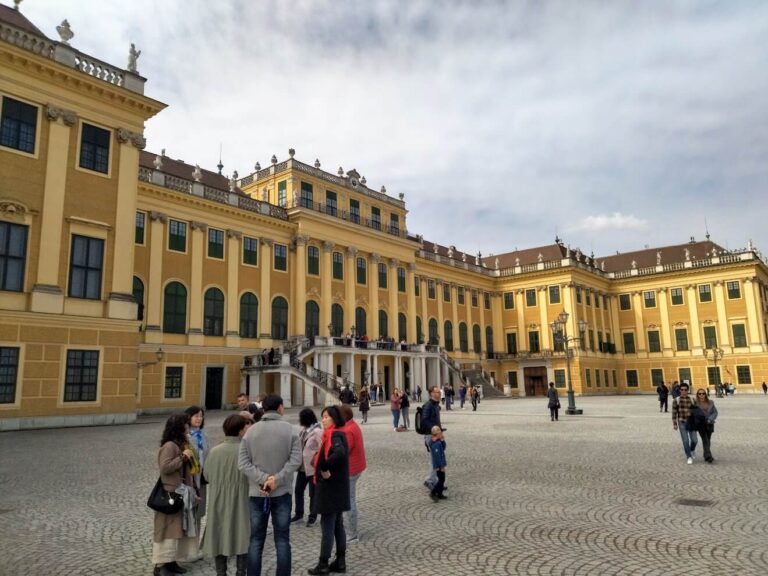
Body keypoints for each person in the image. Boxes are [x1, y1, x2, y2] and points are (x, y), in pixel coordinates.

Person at [238, 394, 301, 576]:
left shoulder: (251, 431)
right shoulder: (290, 430)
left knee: (256, 540)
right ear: (281, 407)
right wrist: (276, 479)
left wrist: (263, 479)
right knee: (282, 539)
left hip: (258, 493)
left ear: (263, 409)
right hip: (281, 492)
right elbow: (295, 461)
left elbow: (243, 463)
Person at [201, 414, 251, 576]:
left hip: (218, 499)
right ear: (241, 430)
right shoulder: (246, 450)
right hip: (242, 498)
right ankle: (241, 572)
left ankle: (221, 573)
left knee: (218, 533)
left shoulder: (215, 451)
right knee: (242, 534)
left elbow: (206, 476)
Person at [152, 412, 198, 576]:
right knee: (167, 530)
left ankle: (171, 562)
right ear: (178, 426)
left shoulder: (182, 443)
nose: (188, 426)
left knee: (177, 530)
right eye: (185, 423)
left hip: (181, 492)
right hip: (170, 494)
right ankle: (161, 565)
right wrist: (182, 457)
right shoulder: (170, 446)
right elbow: (165, 468)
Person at [308, 406, 350, 575]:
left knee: (327, 527)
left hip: (330, 489)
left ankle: (323, 563)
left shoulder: (334, 435)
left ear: (334, 418)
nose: (323, 419)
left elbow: (339, 453)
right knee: (338, 525)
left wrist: (325, 465)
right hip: (338, 488)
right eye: (322, 417)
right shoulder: (335, 434)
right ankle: (340, 561)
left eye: (326, 417)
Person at [184, 405, 209, 561]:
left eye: (201, 416)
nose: (199, 418)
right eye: (196, 416)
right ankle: (186, 550)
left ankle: (194, 549)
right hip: (189, 482)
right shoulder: (185, 437)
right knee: (188, 515)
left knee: (198, 515)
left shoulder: (203, 436)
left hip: (202, 481)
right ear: (189, 418)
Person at [339, 404, 367, 543]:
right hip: (354, 467)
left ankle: (352, 533)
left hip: (351, 469)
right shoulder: (351, 425)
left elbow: (344, 451)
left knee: (349, 500)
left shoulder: (348, 430)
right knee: (348, 498)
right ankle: (349, 530)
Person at [292, 408, 322, 527]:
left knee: (312, 493)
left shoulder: (318, 431)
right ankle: (299, 513)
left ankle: (312, 516)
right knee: (298, 490)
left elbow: (322, 447)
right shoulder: (304, 430)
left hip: (313, 467)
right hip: (302, 467)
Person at [421, 386, 443, 491]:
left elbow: (436, 421)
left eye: (439, 392)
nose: (439, 394)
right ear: (431, 393)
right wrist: (434, 429)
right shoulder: (428, 405)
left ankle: (436, 481)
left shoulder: (435, 405)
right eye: (437, 392)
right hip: (431, 435)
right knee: (435, 459)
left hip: (437, 435)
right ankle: (429, 480)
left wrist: (441, 431)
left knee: (438, 459)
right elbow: (424, 420)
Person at [671, 382, 698, 464]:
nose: (684, 391)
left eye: (685, 390)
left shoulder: (692, 399)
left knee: (695, 440)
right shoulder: (676, 400)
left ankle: (692, 449)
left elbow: (697, 412)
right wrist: (675, 424)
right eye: (682, 390)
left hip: (692, 423)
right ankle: (689, 456)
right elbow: (674, 413)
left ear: (688, 390)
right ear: (680, 390)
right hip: (682, 422)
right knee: (685, 441)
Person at [692, 388, 718, 463]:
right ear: (697, 395)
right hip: (701, 424)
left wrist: (710, 419)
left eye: (703, 393)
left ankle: (706, 454)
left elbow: (715, 412)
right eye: (699, 394)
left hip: (709, 423)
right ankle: (708, 456)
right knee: (705, 439)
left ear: (705, 394)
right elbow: (693, 413)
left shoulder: (711, 402)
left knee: (708, 440)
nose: (701, 395)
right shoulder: (695, 403)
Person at [428, 425, 447, 502]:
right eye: (441, 433)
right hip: (439, 464)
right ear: (437, 434)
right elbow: (437, 456)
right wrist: (441, 466)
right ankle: (433, 492)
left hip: (439, 464)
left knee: (442, 479)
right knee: (441, 480)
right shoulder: (436, 444)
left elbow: (444, 447)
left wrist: (442, 440)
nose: (442, 434)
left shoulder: (438, 441)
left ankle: (440, 494)